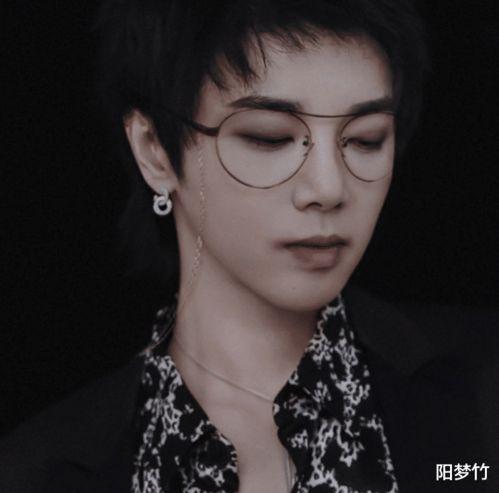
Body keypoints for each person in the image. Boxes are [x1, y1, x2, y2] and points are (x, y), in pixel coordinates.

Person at [1, 1, 498, 492]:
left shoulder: (481, 393)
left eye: (366, 139)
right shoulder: (39, 472)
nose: (329, 187)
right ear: (154, 151)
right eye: (269, 137)